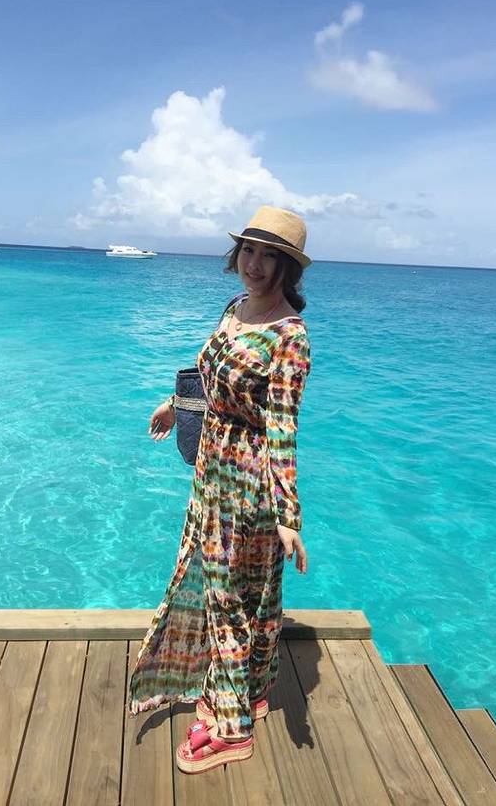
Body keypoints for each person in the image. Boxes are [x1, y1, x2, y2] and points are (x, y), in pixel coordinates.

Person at [127, 205, 312, 774]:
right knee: (242, 593)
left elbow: (281, 428)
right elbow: (214, 376)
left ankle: (232, 731)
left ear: (287, 267)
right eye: (249, 251)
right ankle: (250, 691)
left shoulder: (290, 337)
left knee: (227, 600)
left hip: (247, 488)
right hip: (210, 472)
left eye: (270, 256)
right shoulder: (235, 308)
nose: (255, 264)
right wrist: (176, 403)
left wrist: (288, 516)